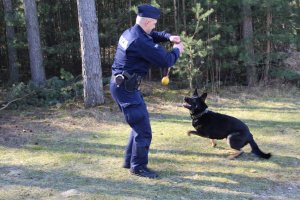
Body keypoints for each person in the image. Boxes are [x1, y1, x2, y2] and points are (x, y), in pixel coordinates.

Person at [110, 4, 184, 178]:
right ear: (148, 21)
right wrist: (177, 50)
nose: (155, 26)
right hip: (125, 89)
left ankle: (129, 160)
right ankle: (138, 167)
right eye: (154, 23)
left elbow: (154, 35)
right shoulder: (140, 41)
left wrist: (168, 37)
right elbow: (166, 60)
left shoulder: (131, 32)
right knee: (143, 130)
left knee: (138, 124)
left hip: (122, 86)